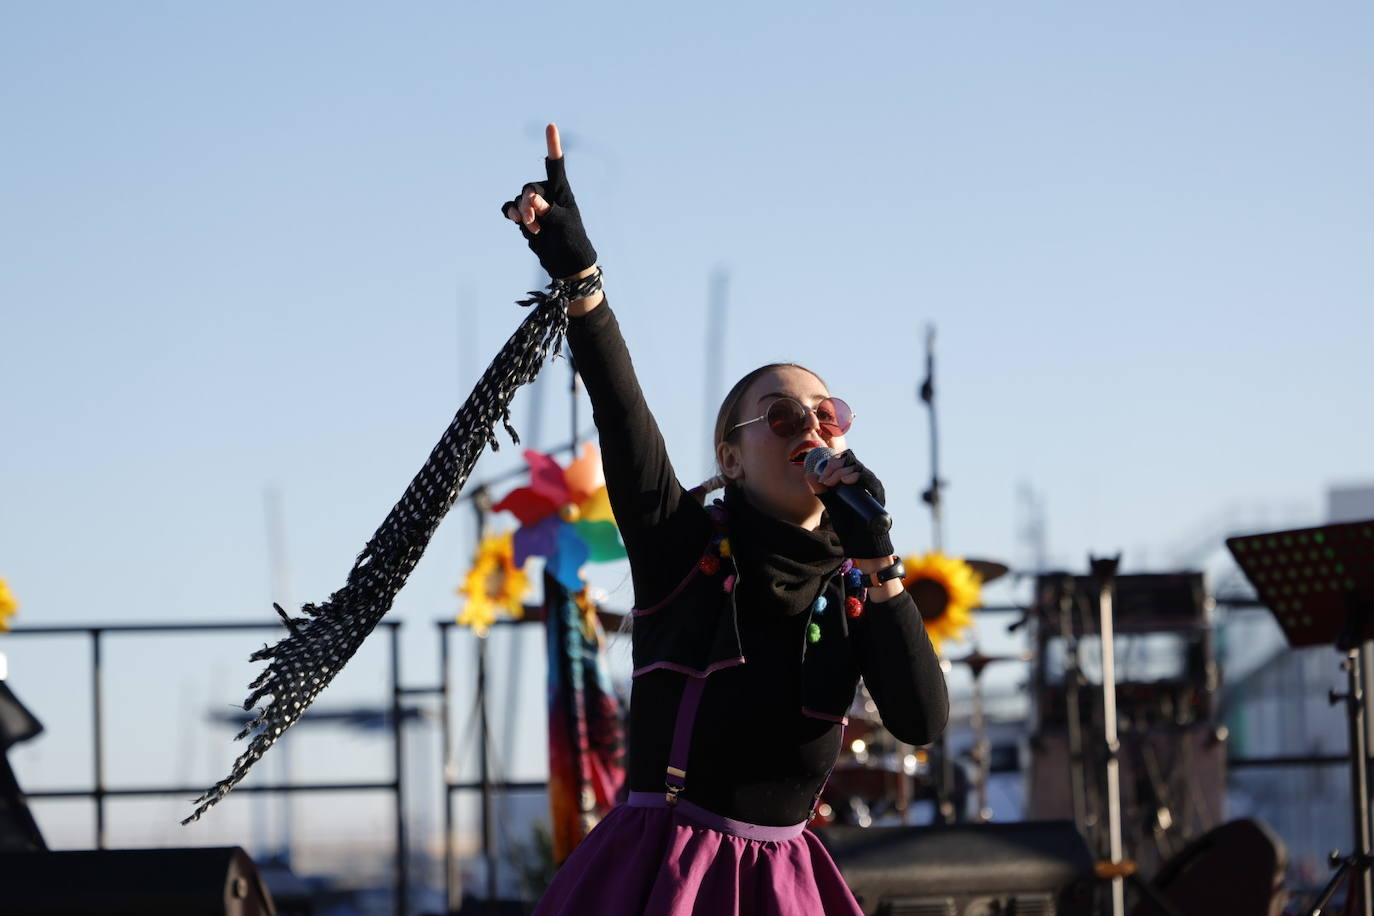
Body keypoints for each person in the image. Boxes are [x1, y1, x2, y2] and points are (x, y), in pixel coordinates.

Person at [502, 124, 949, 916]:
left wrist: (881, 563)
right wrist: (581, 278)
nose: (812, 429)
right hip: (666, 874)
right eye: (781, 418)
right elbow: (621, 410)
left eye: (826, 414)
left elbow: (920, 721)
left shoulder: (855, 587)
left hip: (782, 881)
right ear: (732, 458)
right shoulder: (684, 549)